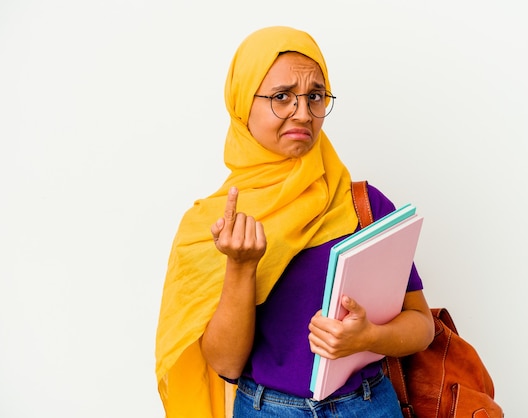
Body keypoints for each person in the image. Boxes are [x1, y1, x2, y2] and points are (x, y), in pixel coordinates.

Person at [155, 26, 435, 418]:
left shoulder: (363, 206)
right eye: (281, 97)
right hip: (267, 410)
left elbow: (422, 326)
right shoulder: (214, 226)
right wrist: (241, 265)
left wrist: (369, 337)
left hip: (369, 407)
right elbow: (226, 365)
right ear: (241, 103)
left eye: (315, 96)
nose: (302, 113)